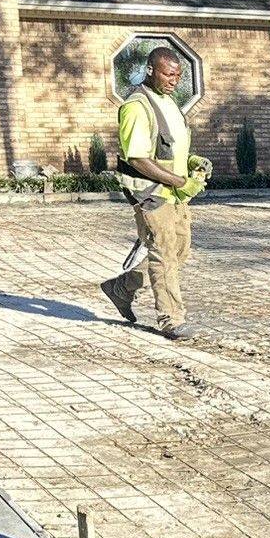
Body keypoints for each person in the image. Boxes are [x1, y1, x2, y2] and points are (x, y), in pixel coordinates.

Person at [99, 46, 211, 339]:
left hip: (175, 194)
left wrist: (192, 162)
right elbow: (138, 158)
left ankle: (120, 288)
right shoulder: (137, 107)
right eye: (168, 74)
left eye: (178, 75)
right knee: (163, 255)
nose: (174, 81)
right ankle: (172, 319)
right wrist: (179, 181)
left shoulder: (170, 104)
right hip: (151, 194)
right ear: (150, 70)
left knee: (179, 251)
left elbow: (167, 148)